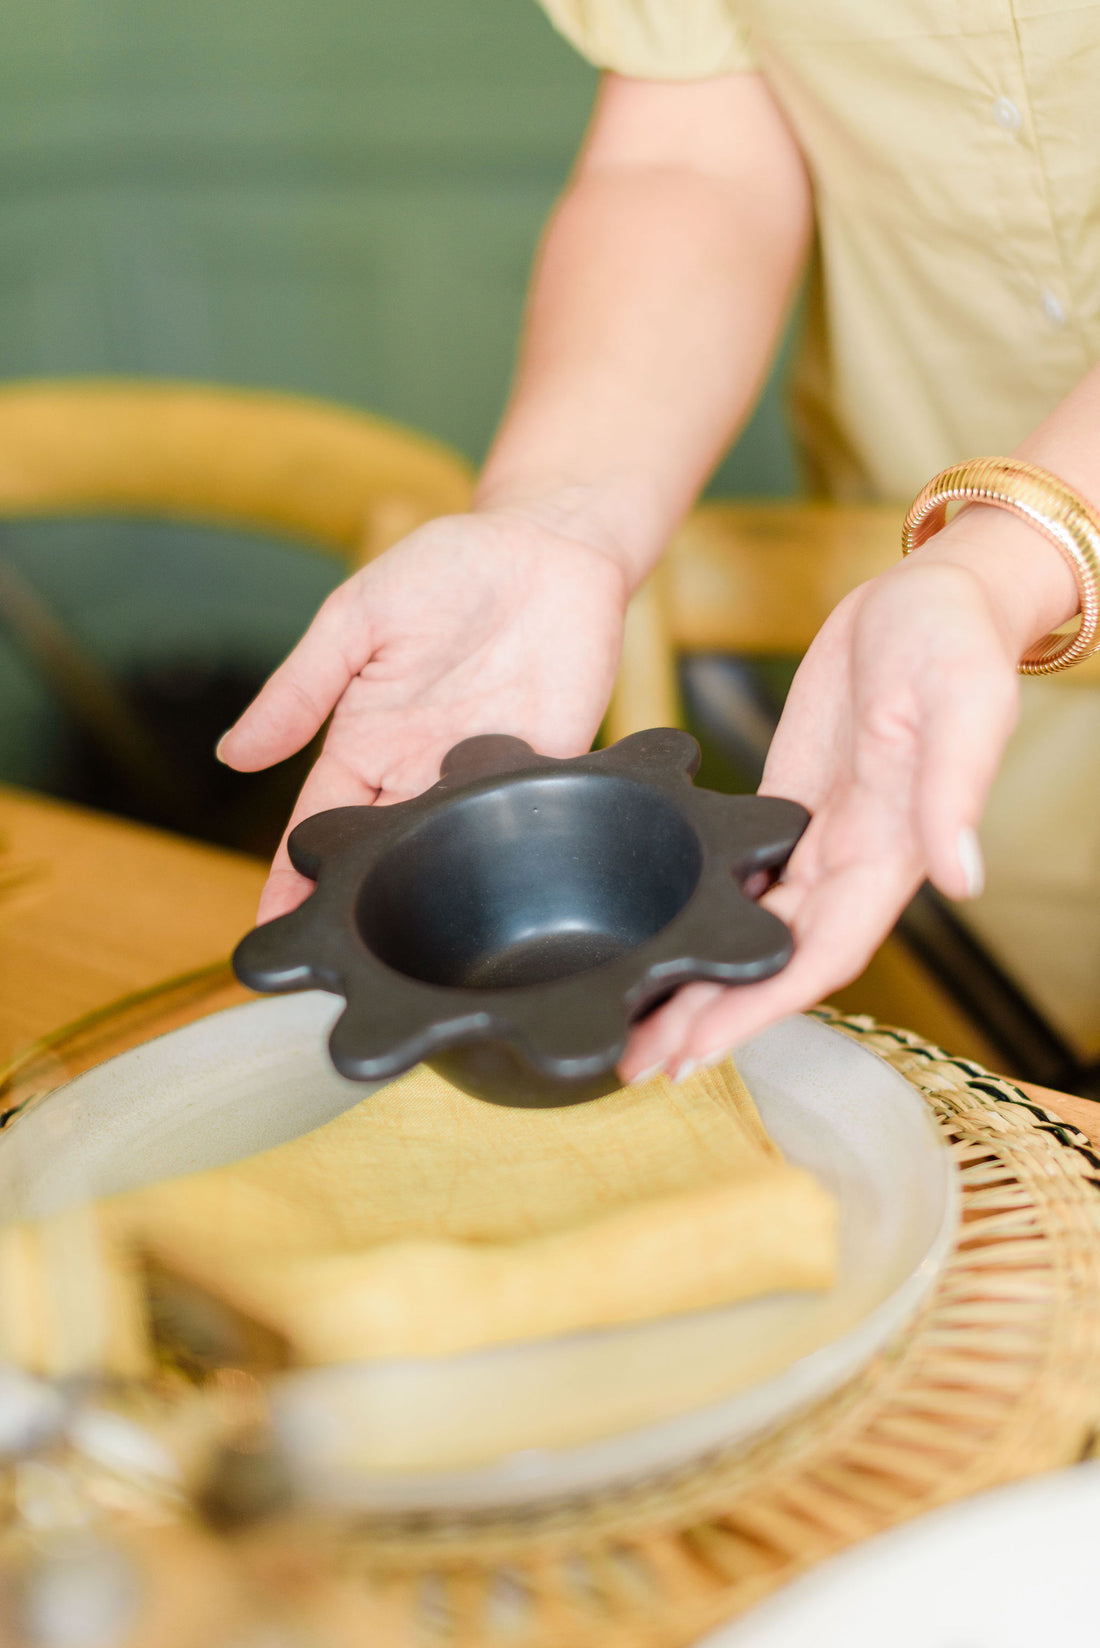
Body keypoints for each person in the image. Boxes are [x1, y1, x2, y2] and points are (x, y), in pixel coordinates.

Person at [217, 0, 1100, 1083]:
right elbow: (691, 151)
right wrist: (556, 512)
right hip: (954, 665)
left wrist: (1011, 555)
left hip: (972, 587)